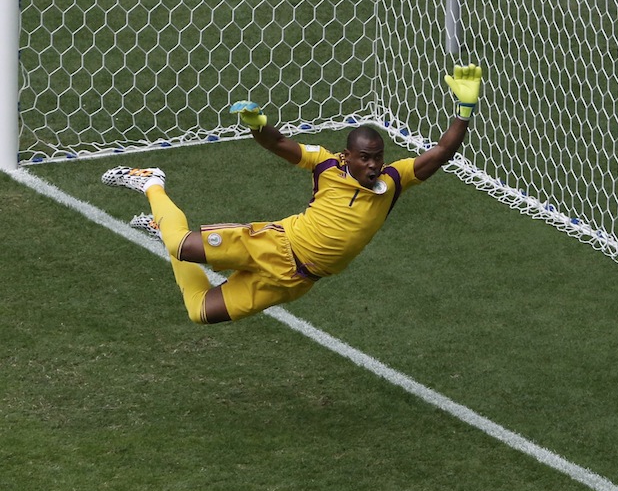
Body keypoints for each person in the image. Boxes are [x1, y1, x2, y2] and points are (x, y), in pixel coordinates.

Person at [101, 64, 483, 324]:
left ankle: (159, 226)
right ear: (347, 155)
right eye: (365, 158)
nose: (373, 165)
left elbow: (440, 153)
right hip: (274, 245)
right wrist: (258, 126)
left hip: (295, 280)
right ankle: (151, 182)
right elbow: (280, 144)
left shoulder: (394, 180)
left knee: (200, 311)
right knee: (182, 246)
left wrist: (464, 110)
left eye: (378, 157)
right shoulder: (326, 165)